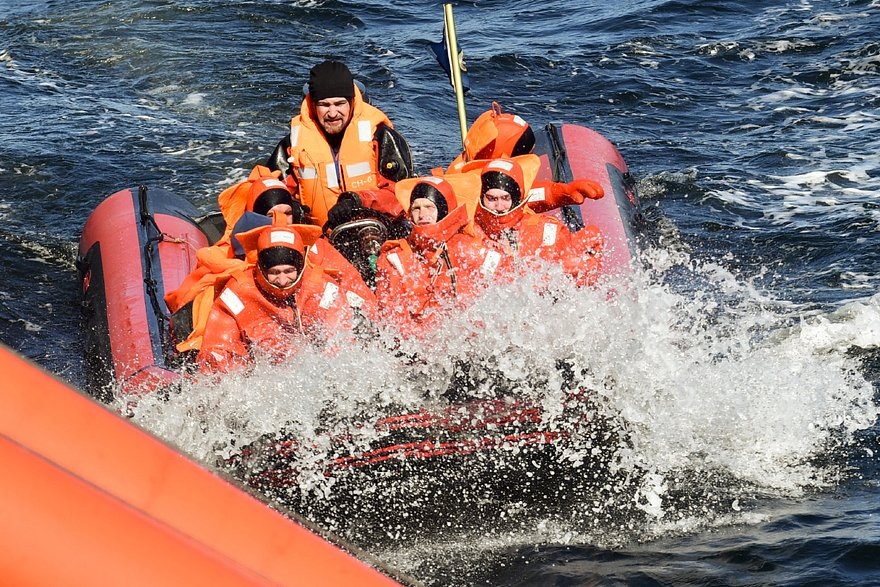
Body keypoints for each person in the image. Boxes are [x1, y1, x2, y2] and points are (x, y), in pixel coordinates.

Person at [196, 224, 376, 374]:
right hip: (262, 378)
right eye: (274, 273)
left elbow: (340, 340)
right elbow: (218, 346)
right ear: (261, 267)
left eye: (289, 271)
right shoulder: (237, 293)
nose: (282, 281)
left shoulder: (323, 287)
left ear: (300, 265)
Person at [265, 60, 413, 231]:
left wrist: (358, 200)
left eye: (339, 104)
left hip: (375, 234)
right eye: (324, 105)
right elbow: (271, 193)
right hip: (318, 240)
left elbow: (403, 195)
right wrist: (293, 208)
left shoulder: (382, 138)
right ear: (313, 106)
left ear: (352, 102)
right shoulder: (292, 145)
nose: (333, 113)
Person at [374, 175, 489, 337]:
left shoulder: (472, 248)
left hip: (467, 341)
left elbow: (495, 298)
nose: (422, 214)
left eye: (429, 207)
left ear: (442, 211)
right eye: (416, 208)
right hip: (420, 347)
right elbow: (392, 315)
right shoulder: (394, 258)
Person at [472, 157, 605, 287]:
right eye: (491, 199)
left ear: (517, 199)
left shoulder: (540, 227)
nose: (499, 207)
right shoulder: (470, 214)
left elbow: (541, 193)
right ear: (482, 197)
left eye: (505, 198)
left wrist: (566, 191)